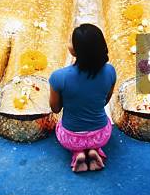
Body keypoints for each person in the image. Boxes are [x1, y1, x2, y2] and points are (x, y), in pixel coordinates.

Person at [49, 23, 116, 173]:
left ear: (74, 50)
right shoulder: (110, 71)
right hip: (101, 135)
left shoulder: (59, 76)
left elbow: (55, 108)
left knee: (61, 125)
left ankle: (78, 152)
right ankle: (94, 150)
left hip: (70, 137)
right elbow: (105, 100)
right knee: (97, 123)